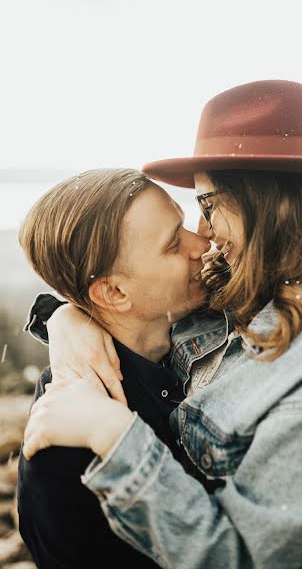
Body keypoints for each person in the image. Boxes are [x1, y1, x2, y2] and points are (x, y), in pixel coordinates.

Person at [22, 80, 302, 568]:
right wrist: (68, 318)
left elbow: (242, 555)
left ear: (265, 204)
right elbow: (107, 289)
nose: (202, 238)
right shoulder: (245, 288)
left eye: (206, 207)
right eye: (187, 221)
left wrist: (114, 434)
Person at [17, 168, 211, 568]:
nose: (201, 243)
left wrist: (61, 315)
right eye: (174, 244)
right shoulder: (68, 432)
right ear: (114, 292)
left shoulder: (202, 340)